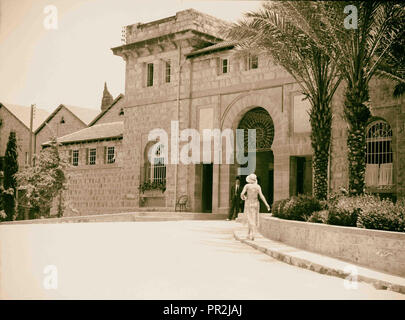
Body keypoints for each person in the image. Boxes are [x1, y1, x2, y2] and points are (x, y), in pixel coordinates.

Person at [240, 173, 270, 240]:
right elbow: (261, 196)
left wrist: (244, 197)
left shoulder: (247, 186)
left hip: (248, 203)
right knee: (253, 218)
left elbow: (242, 194)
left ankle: (252, 233)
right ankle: (248, 234)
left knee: (249, 219)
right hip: (256, 204)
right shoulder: (258, 186)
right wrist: (266, 204)